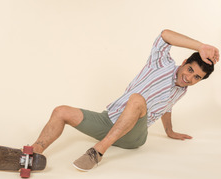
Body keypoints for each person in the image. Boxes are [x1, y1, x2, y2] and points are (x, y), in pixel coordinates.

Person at [31, 29, 219, 171]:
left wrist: (169, 131)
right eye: (190, 70)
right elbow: (165, 34)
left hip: (133, 137)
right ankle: (33, 154)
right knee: (61, 111)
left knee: (137, 100)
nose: (189, 78)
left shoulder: (182, 90)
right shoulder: (161, 63)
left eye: (197, 78)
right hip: (109, 121)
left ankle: (96, 153)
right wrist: (200, 47)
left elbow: (166, 108)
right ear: (185, 62)